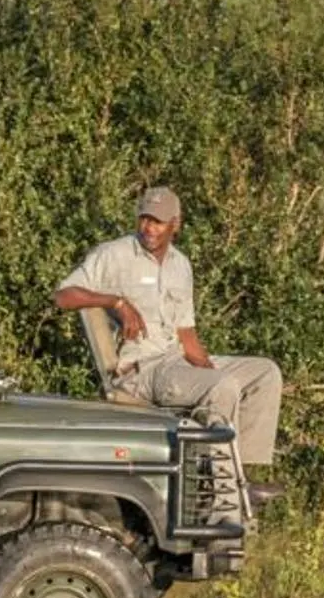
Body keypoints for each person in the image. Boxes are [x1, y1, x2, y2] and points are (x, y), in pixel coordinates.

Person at [52, 186, 282, 517]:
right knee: (222, 387)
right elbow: (63, 296)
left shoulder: (181, 265)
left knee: (264, 373)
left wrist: (206, 370)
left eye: (158, 221)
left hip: (176, 360)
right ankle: (224, 493)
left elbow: (186, 334)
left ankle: (241, 474)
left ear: (176, 224)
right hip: (141, 370)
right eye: (144, 218)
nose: (149, 227)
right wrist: (113, 301)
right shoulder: (115, 254)